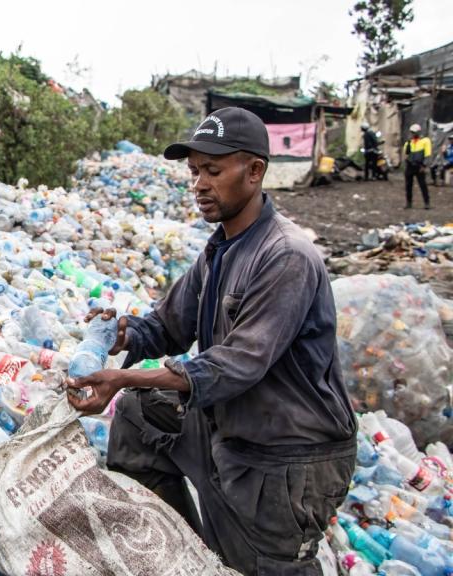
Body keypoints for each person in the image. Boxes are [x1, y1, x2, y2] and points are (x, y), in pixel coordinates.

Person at [67, 107, 357, 575]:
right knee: (141, 414)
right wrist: (123, 333)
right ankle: (187, 555)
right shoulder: (220, 249)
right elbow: (167, 327)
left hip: (288, 455)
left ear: (256, 171)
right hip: (233, 428)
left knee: (262, 567)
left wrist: (120, 376)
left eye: (214, 171)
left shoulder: (286, 256)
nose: (199, 184)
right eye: (195, 171)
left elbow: (236, 364)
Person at [403, 123, 432, 209]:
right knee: (408, 185)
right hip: (410, 165)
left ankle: (427, 203)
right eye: (412, 132)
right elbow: (406, 153)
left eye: (414, 132)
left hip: (419, 165)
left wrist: (424, 165)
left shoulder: (425, 141)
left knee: (422, 185)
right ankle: (409, 203)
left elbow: (427, 154)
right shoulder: (409, 142)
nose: (412, 134)